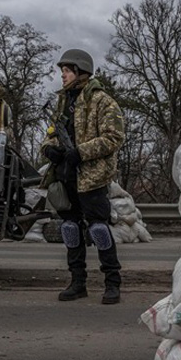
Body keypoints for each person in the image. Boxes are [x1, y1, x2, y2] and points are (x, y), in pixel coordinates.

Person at [40, 48, 125, 304]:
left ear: (80, 71)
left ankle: (112, 283)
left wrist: (81, 152)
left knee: (99, 229)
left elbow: (114, 137)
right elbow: (51, 133)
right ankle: (77, 283)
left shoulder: (102, 101)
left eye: (67, 71)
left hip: (91, 177)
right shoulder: (62, 102)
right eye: (63, 71)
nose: (63, 75)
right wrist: (49, 149)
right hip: (66, 176)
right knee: (70, 229)